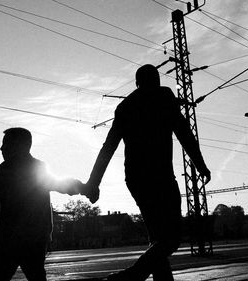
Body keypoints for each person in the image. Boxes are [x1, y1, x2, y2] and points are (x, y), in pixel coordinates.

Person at [85, 64, 211, 281]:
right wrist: (200, 164)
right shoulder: (163, 97)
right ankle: (131, 276)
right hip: (160, 176)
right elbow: (183, 132)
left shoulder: (126, 106)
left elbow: (109, 146)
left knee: (158, 238)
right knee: (170, 239)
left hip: (136, 178)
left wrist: (94, 182)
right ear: (157, 80)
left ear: (136, 83)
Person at [0, 127, 87, 281]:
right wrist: (83, 187)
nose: (1, 148)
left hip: (9, 239)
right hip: (35, 237)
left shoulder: (4, 170)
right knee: (36, 276)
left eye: (6, 144)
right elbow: (60, 183)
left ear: (18, 146)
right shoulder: (37, 168)